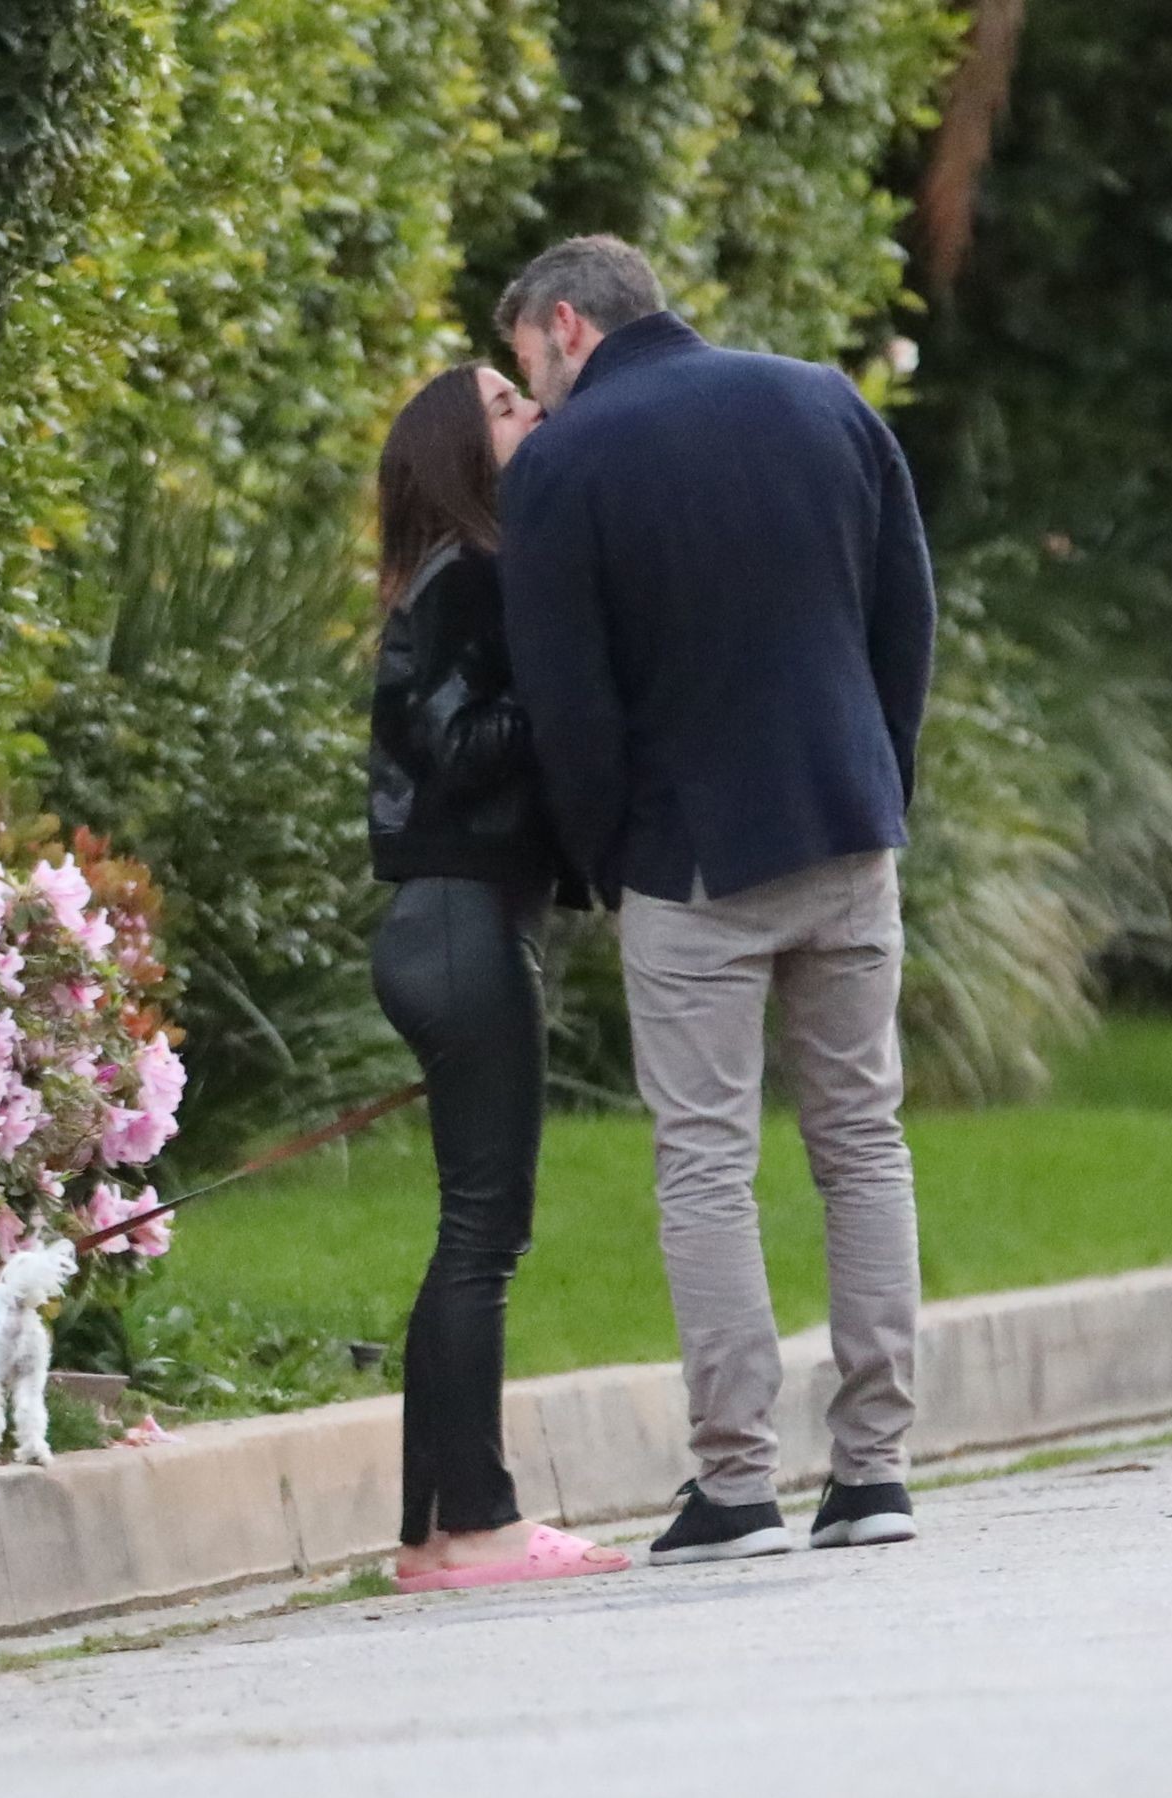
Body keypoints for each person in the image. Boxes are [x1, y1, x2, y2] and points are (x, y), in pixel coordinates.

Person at [494, 236, 938, 1566]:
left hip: (690, 857)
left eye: (525, 360)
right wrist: (877, 782)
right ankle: (873, 1474)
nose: (532, 387)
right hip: (846, 830)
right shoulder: (822, 400)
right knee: (862, 1141)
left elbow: (567, 698)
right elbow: (904, 618)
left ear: (566, 325)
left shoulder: (564, 463)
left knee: (704, 1160)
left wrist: (601, 857)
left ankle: (736, 1486)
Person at [367, 361, 631, 1593]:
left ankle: (436, 1533)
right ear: (464, 453)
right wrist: (574, 682)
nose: (536, 411)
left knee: (471, 1233)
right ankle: (478, 1526)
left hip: (456, 924)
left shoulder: (459, 573)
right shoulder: (472, 574)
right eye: (509, 406)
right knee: (486, 1233)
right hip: (460, 924)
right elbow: (461, 746)